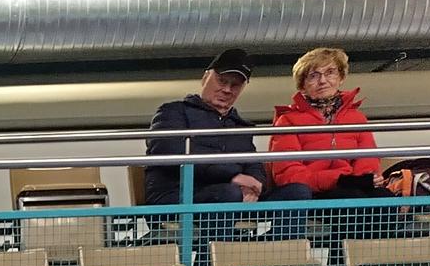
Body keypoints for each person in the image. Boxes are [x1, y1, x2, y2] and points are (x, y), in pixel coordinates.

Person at [143, 49, 311, 211]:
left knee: (298, 192)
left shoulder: (240, 126)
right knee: (229, 193)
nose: (227, 90)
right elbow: (168, 150)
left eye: (235, 85)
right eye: (222, 81)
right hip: (177, 195)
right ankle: (223, 230)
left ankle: (284, 233)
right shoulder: (173, 112)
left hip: (230, 194)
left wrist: (254, 185)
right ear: (205, 77)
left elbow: (253, 164)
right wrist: (232, 177)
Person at [267, 48, 384, 200]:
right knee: (348, 197)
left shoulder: (357, 118)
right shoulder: (288, 121)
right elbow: (288, 173)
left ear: (341, 77)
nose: (322, 81)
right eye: (313, 76)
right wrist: (339, 180)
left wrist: (363, 179)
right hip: (314, 192)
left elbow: (368, 160)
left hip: (352, 187)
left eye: (330, 72)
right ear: (302, 85)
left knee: (384, 197)